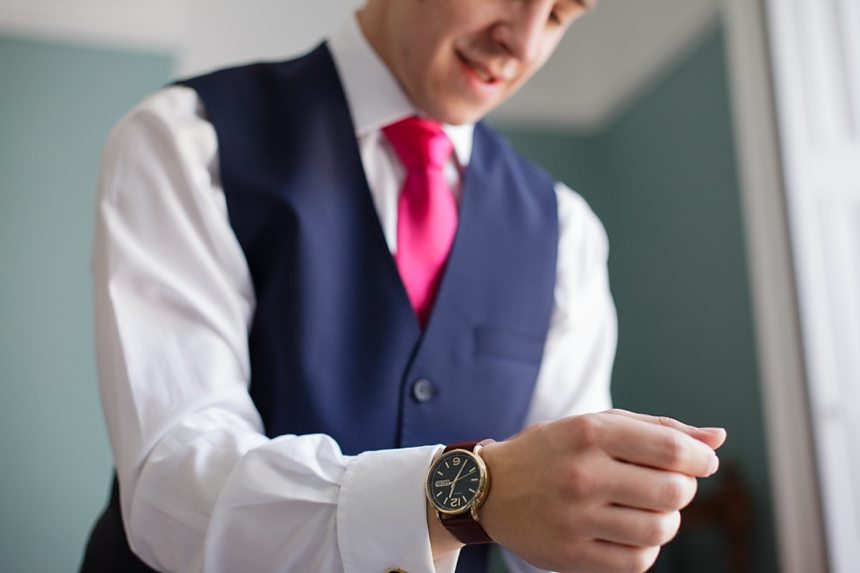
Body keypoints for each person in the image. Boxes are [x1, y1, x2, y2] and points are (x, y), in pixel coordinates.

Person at [81, 0, 726, 572]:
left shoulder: (567, 230)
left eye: (559, 14)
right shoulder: (186, 142)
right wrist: (469, 494)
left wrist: (607, 520)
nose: (525, 44)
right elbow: (175, 490)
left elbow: (556, 534)